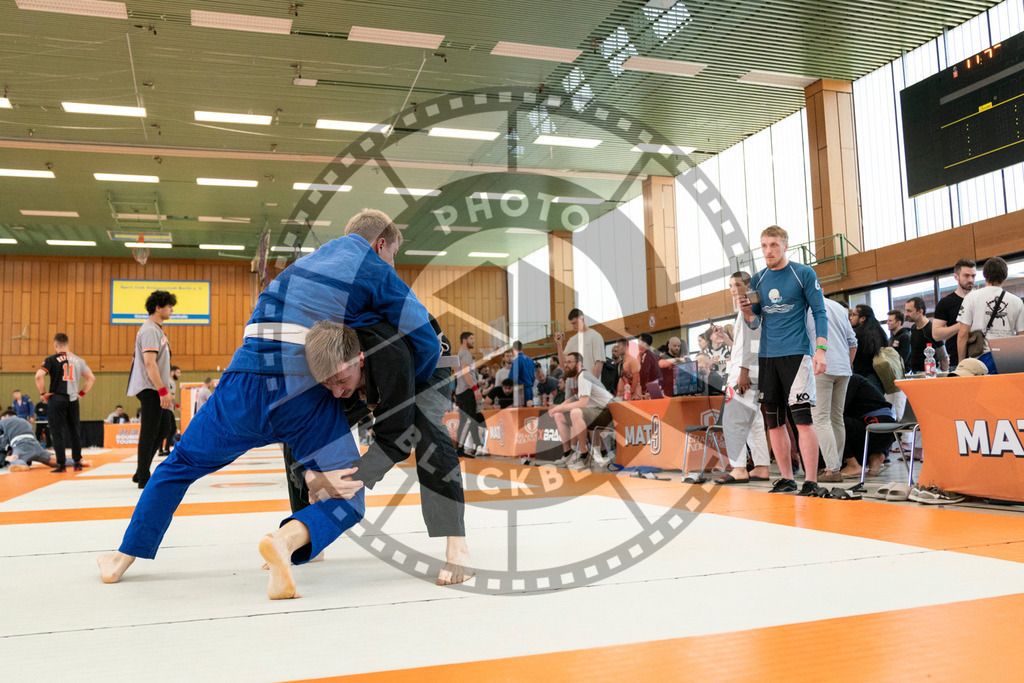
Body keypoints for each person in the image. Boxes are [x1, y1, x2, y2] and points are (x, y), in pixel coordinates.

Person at [97, 209, 470, 595]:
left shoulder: (300, 267)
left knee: (181, 464)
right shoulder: (374, 268)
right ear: (380, 245)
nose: (394, 264)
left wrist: (403, 391)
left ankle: (123, 555)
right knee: (340, 483)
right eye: (393, 255)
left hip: (271, 372)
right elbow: (418, 337)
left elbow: (426, 345)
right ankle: (300, 536)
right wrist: (321, 469)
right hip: (321, 375)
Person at [739, 225, 828, 496]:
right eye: (764, 246)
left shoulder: (803, 273)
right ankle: (786, 478)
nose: (768, 251)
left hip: (796, 354)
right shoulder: (757, 280)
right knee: (773, 421)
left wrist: (821, 349)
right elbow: (754, 322)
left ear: (785, 246)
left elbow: (819, 312)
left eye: (774, 245)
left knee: (802, 419)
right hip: (768, 357)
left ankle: (811, 481)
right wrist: (746, 311)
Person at [715, 271, 771, 484]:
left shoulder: (749, 307)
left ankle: (738, 468)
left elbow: (753, 343)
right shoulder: (748, 309)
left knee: (733, 422)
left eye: (738, 285)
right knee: (754, 422)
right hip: (752, 370)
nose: (733, 289)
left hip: (745, 372)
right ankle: (761, 467)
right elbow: (746, 343)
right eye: (731, 285)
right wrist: (728, 341)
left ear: (748, 286)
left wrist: (743, 372)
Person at [126, 290, 176, 488]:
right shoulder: (149, 330)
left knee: (165, 428)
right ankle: (143, 476)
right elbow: (149, 363)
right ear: (158, 308)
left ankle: (141, 470)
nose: (172, 310)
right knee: (149, 431)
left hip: (155, 387)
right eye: (169, 306)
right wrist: (162, 390)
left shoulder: (156, 330)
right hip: (150, 387)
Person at [808, 297, 858, 482]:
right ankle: (835, 466)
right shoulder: (838, 307)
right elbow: (853, 342)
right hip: (843, 368)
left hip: (821, 367)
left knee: (821, 419)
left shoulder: (807, 308)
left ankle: (832, 469)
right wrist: (847, 364)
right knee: (837, 418)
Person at [35, 333, 94, 473]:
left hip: (57, 399)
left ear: (55, 345)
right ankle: (77, 463)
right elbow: (91, 378)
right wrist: (81, 394)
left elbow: (38, 376)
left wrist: (43, 394)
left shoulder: (51, 360)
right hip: (73, 400)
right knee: (75, 431)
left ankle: (61, 465)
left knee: (57, 432)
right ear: (68, 344)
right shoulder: (79, 361)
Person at [957, 256, 1024, 374]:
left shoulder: (971, 298)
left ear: (984, 274)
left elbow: (963, 333)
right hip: (1007, 360)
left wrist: (961, 363)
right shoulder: (1017, 301)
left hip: (979, 360)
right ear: (1005, 276)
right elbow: (1021, 336)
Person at [549, 351, 614, 470]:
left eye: (569, 362)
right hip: (595, 412)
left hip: (607, 412)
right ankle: (568, 455)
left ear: (578, 364)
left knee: (576, 412)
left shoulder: (584, 376)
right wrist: (557, 408)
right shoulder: (576, 378)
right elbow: (573, 398)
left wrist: (560, 407)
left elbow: (582, 403)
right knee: (559, 415)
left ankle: (584, 454)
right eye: (565, 362)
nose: (566, 365)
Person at [838, 374, 896, 479]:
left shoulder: (849, 380)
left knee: (834, 422)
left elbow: (838, 410)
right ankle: (875, 455)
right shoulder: (856, 380)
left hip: (876, 431)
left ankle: (853, 465)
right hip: (885, 432)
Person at [2, 410, 92, 471]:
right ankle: (79, 461)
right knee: (52, 460)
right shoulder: (25, 421)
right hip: (36, 445)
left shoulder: (3, 421)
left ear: (6, 416)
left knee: (16, 459)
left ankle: (20, 465)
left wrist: (7, 457)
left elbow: (3, 440)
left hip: (21, 445)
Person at [932, 258, 976, 370]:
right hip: (957, 362)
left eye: (973, 276)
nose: (970, 280)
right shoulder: (946, 303)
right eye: (966, 276)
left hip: (981, 358)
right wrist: (962, 324)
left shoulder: (980, 299)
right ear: (956, 277)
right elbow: (936, 334)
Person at [453, 332, 484, 458]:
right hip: (466, 391)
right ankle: (460, 448)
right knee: (467, 420)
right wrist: (475, 388)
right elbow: (466, 373)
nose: (473, 341)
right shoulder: (465, 354)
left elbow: (457, 374)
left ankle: (474, 445)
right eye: (471, 339)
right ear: (464, 340)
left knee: (468, 420)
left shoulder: (459, 354)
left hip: (461, 391)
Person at [555, 308, 605, 384]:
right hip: (575, 385)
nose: (573, 326)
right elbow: (562, 364)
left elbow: (599, 363)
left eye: (575, 323)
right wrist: (559, 344)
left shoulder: (595, 336)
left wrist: (593, 384)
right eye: (572, 324)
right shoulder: (572, 340)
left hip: (589, 383)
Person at [849, 304, 888, 394]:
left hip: (863, 377)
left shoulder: (856, 334)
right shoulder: (880, 332)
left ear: (863, 318)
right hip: (879, 376)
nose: (851, 318)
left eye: (854, 315)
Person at [904, 297, 946, 373]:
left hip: (929, 373)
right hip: (915, 372)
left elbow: (944, 357)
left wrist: (942, 374)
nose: (906, 314)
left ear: (920, 312)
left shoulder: (930, 330)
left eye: (909, 311)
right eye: (906, 311)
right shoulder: (914, 328)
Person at [159, 365, 182, 456]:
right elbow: (170, 396)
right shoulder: (171, 383)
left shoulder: (167, 381)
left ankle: (162, 449)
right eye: (178, 372)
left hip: (166, 408)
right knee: (171, 429)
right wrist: (177, 406)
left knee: (164, 428)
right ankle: (166, 449)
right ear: (172, 372)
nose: (179, 375)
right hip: (168, 408)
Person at [509, 340, 535, 405]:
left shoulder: (516, 361)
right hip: (530, 390)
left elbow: (512, 378)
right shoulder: (530, 360)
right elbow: (534, 376)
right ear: (522, 348)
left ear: (513, 349)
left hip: (521, 391)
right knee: (530, 409)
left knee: (522, 410)